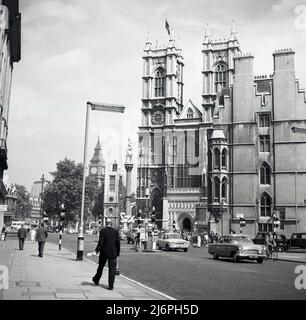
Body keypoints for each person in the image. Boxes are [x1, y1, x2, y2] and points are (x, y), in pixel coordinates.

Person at [92, 218, 120, 290]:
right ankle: (111, 285)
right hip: (113, 252)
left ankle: (96, 280)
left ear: (106, 223)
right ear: (111, 223)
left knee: (100, 267)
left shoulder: (103, 231)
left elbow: (100, 242)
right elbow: (118, 243)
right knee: (112, 270)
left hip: (104, 252)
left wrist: (97, 250)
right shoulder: (116, 232)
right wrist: (117, 254)